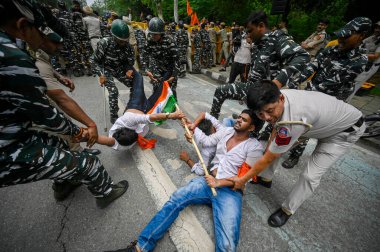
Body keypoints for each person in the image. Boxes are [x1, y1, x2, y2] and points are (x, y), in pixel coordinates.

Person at [0, 0, 128, 209]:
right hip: (7, 148)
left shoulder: (12, 44)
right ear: (23, 26)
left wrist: (58, 76)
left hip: (13, 132)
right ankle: (105, 192)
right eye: (52, 40)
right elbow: (47, 113)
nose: (59, 48)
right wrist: (81, 131)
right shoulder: (12, 57)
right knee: (88, 162)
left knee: (60, 145)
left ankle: (63, 184)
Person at [108, 110, 264, 252]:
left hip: (231, 191)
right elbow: (207, 142)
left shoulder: (254, 148)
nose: (238, 121)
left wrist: (220, 183)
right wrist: (192, 132)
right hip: (209, 181)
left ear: (251, 128)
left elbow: (245, 179)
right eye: (239, 118)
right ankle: (141, 247)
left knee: (227, 245)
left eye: (243, 120)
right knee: (177, 198)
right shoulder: (226, 132)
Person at [231, 80, 366, 227]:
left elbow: (270, 156)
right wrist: (270, 147)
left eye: (269, 111)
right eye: (260, 114)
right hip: (315, 123)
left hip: (342, 133)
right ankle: (265, 178)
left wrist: (243, 179)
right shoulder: (278, 100)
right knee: (275, 147)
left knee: (310, 176)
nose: (267, 117)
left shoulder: (292, 120)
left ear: (281, 99)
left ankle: (287, 209)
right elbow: (277, 129)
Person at [281, 17, 371, 169]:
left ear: (361, 36)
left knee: (311, 125)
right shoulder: (332, 49)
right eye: (341, 35)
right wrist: (294, 82)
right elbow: (314, 65)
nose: (341, 39)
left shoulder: (360, 60)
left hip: (331, 100)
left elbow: (334, 81)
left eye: (346, 36)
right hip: (313, 90)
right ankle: (291, 148)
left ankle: (298, 154)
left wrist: (306, 94)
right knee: (301, 121)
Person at [210, 10, 310, 119]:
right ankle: (215, 125)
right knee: (222, 93)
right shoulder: (258, 44)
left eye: (250, 31)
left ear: (261, 26)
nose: (248, 35)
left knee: (221, 91)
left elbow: (302, 56)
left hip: (266, 92)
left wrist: (278, 81)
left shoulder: (276, 37)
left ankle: (216, 124)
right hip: (254, 88)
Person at [87, 71, 185, 150]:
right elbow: (101, 141)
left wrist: (172, 115)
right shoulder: (120, 143)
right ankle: (169, 71)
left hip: (136, 104)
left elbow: (101, 139)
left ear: (127, 128)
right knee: (162, 89)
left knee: (139, 78)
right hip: (147, 110)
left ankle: (130, 69)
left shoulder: (128, 120)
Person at [93, 19, 135, 124]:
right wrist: (100, 74)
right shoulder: (104, 43)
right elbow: (94, 61)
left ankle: (131, 108)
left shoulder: (128, 47)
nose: (123, 43)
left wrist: (129, 69)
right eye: (120, 40)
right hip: (106, 68)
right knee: (113, 91)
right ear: (113, 37)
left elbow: (129, 62)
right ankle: (114, 115)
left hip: (119, 68)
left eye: (125, 40)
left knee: (134, 84)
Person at [144, 17, 180, 98]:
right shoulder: (149, 41)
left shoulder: (170, 41)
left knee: (170, 93)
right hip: (157, 70)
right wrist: (147, 70)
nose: (153, 36)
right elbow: (144, 56)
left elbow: (177, 60)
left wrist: (174, 75)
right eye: (152, 33)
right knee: (157, 93)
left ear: (161, 33)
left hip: (170, 70)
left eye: (156, 34)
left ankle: (173, 110)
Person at [347, 20, 380, 102]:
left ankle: (346, 101)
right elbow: (360, 43)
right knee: (350, 81)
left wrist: (359, 55)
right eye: (376, 27)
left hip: (370, 65)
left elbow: (376, 56)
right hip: (361, 62)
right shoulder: (372, 37)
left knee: (356, 83)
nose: (377, 30)